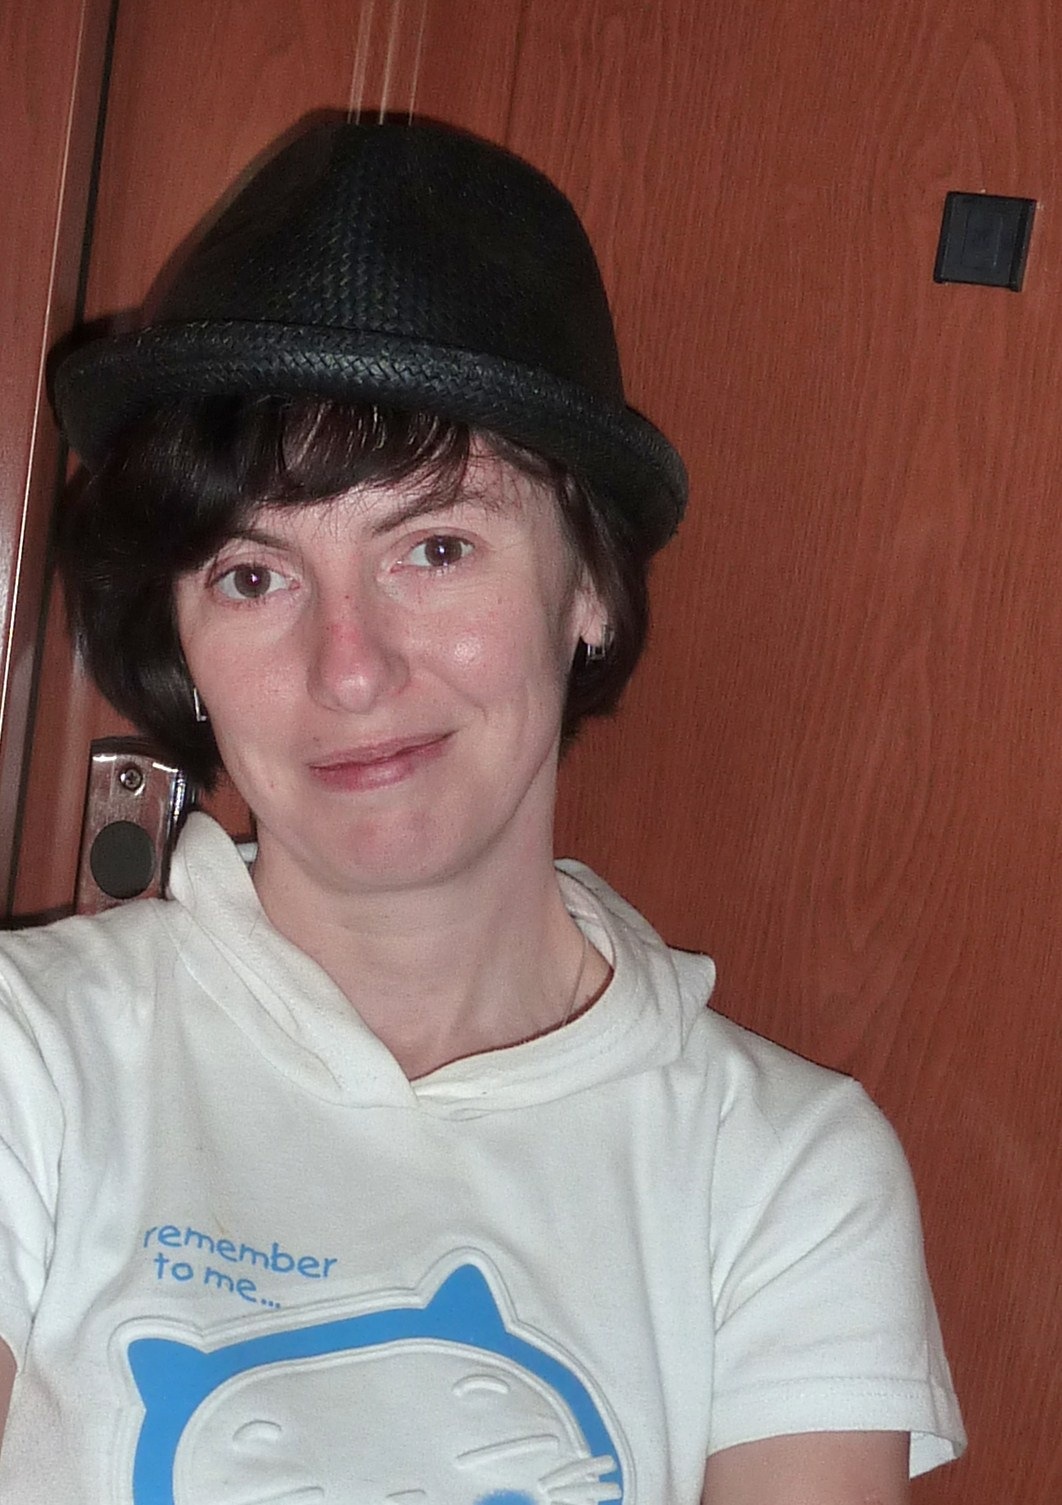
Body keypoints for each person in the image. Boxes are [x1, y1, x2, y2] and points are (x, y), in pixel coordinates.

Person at [0, 119, 964, 1502]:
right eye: (253, 576)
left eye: (436, 547)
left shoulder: (779, 1172)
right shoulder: (30, 1062)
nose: (348, 666)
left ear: (589, 589)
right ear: (182, 642)